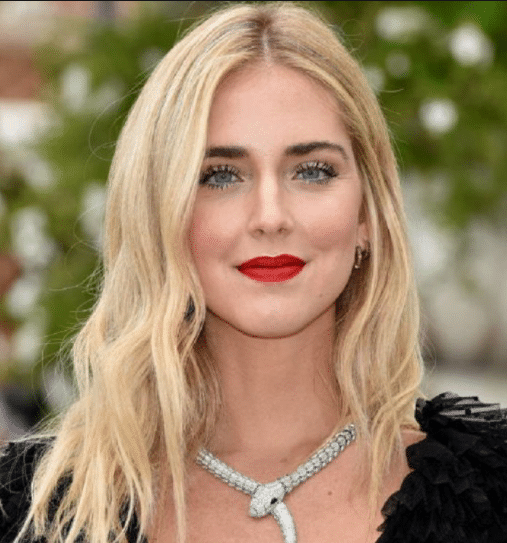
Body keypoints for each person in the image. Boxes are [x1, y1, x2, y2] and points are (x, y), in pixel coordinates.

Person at [1, 2, 506, 543]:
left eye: (312, 171)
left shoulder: (491, 486)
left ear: (367, 214)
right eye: (221, 176)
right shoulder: (34, 511)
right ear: (160, 213)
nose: (270, 216)